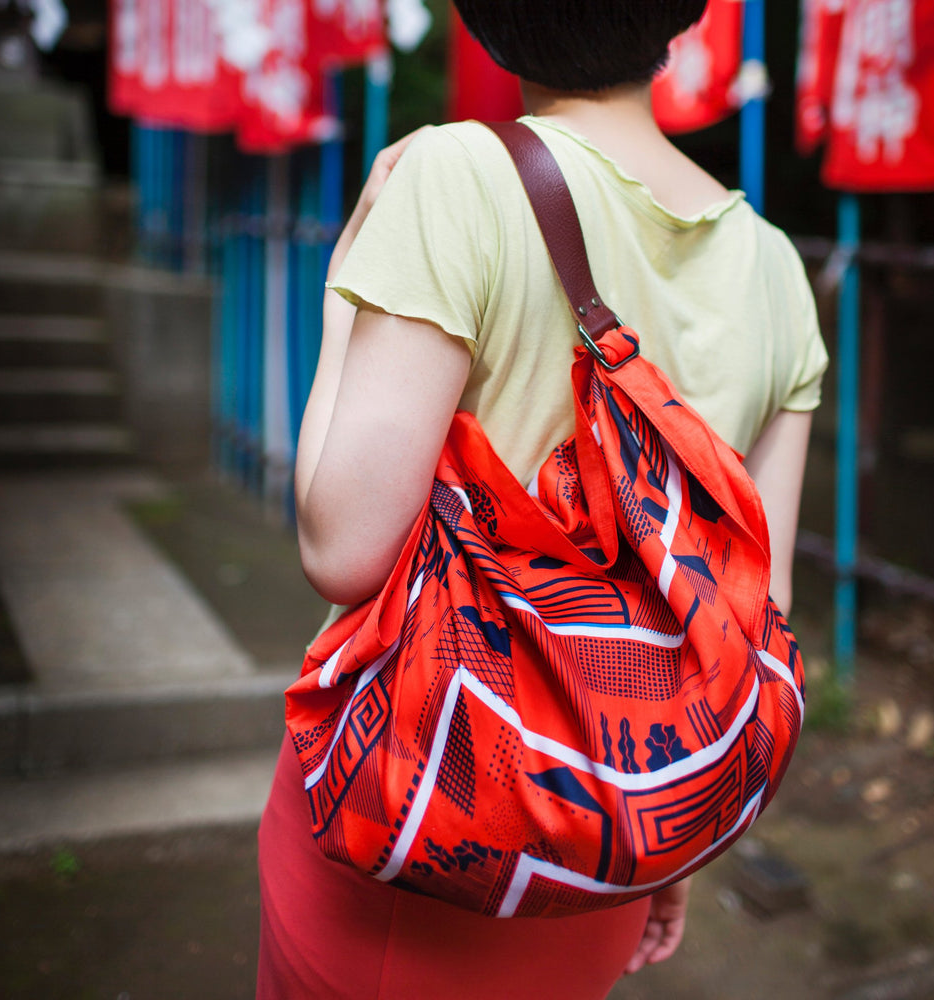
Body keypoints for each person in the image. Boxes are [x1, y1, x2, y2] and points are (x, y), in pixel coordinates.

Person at [257, 2, 828, 997]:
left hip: (415, 819)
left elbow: (340, 548)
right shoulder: (775, 268)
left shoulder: (456, 179)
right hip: (598, 850)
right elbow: (749, 620)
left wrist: (342, 294)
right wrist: (665, 842)